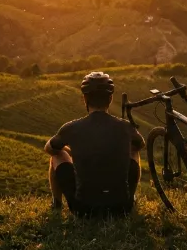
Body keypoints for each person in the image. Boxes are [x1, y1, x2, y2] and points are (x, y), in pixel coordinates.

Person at [45, 72, 145, 217]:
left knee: (57, 155)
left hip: (83, 210)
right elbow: (140, 145)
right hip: (121, 208)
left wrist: (72, 150)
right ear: (110, 99)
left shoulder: (71, 128)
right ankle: (131, 197)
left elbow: (49, 148)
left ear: (85, 99)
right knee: (134, 151)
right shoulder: (126, 127)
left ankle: (56, 204)